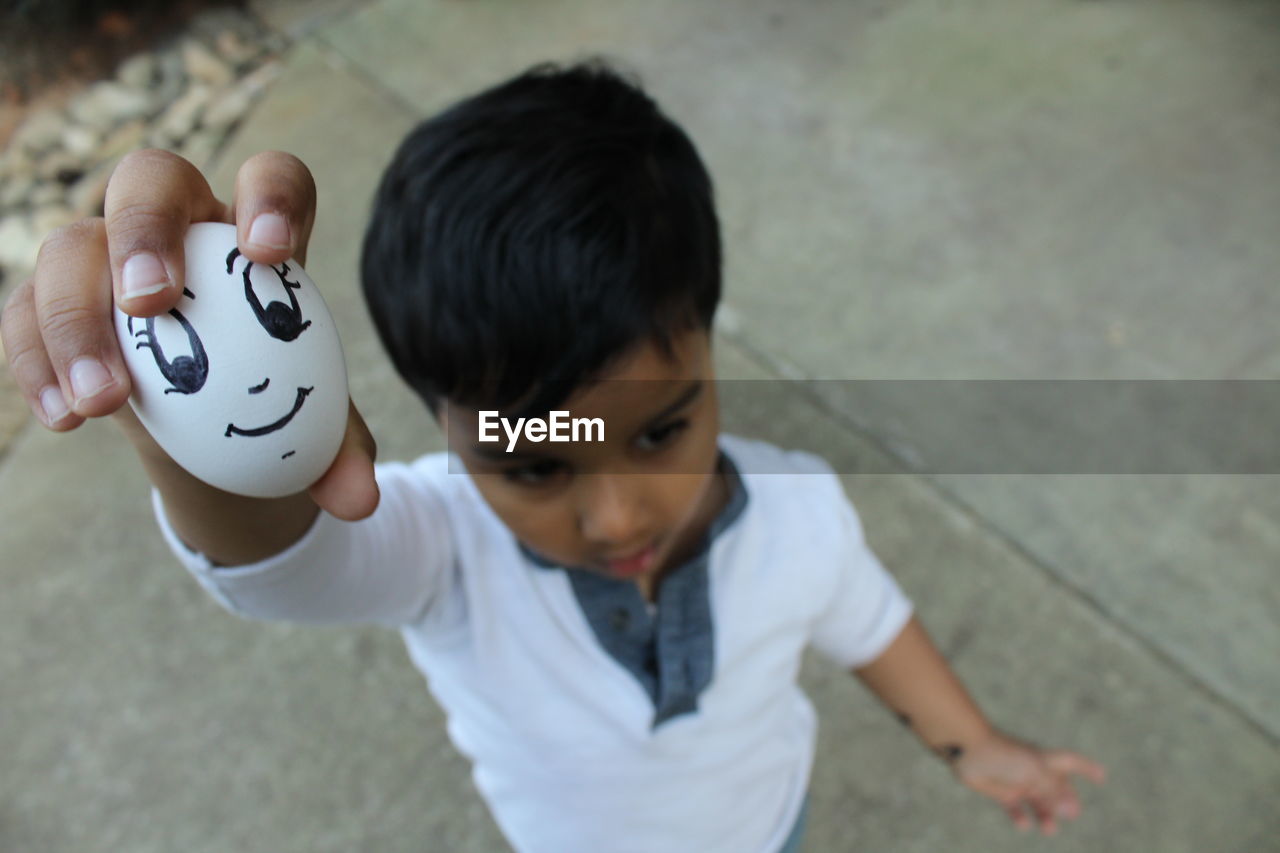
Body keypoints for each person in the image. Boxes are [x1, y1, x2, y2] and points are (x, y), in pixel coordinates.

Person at [1, 60, 1104, 852]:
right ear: (444, 421)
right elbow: (283, 568)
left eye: (659, 429)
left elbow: (868, 621)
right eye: (533, 461)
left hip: (770, 827)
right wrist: (198, 424)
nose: (621, 516)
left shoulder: (797, 510)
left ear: (709, 344)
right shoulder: (439, 544)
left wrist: (972, 746)